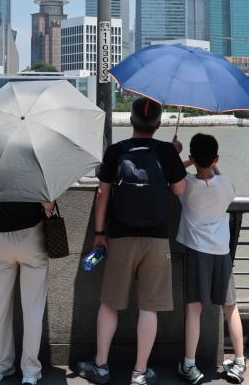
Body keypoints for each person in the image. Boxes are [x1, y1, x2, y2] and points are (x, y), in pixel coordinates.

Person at [77, 98, 186, 385]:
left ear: (131, 122)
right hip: (157, 239)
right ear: (159, 124)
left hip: (120, 237)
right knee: (149, 307)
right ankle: (139, 372)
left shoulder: (116, 151)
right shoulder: (165, 151)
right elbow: (179, 189)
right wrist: (175, 155)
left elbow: (102, 194)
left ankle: (100, 366)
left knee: (110, 303)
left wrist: (99, 234)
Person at [175, 133, 246, 384]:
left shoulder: (186, 185)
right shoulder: (225, 185)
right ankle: (238, 362)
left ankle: (189, 364)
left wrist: (183, 160)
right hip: (222, 252)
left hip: (197, 252)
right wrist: (213, 164)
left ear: (193, 158)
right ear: (216, 158)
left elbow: (170, 177)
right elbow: (228, 188)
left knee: (194, 309)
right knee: (230, 307)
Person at [0, 200, 54, 385]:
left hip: (2, 236)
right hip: (32, 238)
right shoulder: (39, 171)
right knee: (33, 310)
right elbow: (48, 206)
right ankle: (30, 371)